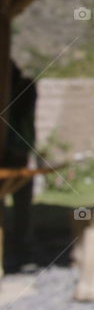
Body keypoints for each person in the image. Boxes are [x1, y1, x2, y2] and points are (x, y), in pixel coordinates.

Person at [2, 63, 37, 272]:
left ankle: (21, 248)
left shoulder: (24, 88)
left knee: (21, 205)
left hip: (18, 154)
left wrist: (19, 148)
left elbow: (23, 122)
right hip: (13, 154)